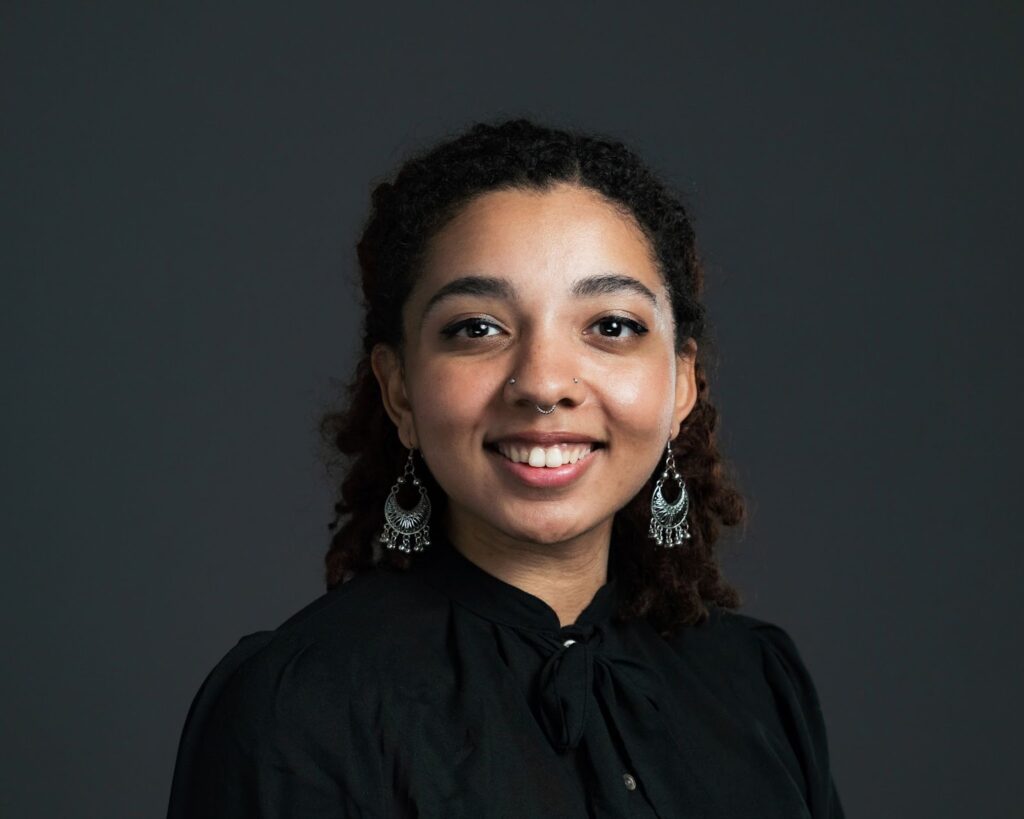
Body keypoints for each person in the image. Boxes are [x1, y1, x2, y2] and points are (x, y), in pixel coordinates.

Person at [166, 118, 845, 818]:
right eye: (478, 327)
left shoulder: (759, 682)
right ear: (399, 390)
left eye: (611, 326)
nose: (544, 382)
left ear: (681, 384)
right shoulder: (293, 708)